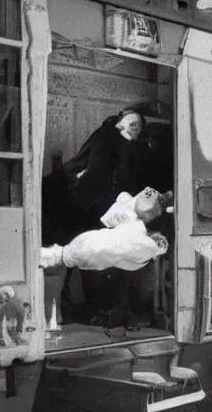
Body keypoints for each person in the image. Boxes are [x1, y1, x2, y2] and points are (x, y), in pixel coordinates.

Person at [42, 109, 152, 326]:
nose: (132, 126)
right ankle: (71, 310)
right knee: (77, 256)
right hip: (88, 206)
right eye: (131, 121)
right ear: (120, 121)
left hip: (103, 209)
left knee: (95, 259)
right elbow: (85, 166)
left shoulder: (133, 150)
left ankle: (96, 308)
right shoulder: (105, 136)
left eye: (137, 126)